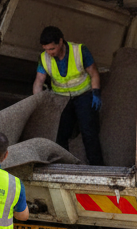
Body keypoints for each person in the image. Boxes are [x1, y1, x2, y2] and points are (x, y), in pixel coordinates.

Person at [33, 25, 103, 165]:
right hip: (61, 99)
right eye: (46, 49)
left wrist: (96, 92)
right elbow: (39, 82)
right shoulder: (44, 58)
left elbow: (93, 72)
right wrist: (38, 102)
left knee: (89, 133)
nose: (49, 53)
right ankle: (61, 165)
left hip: (84, 95)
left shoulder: (80, 51)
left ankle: (97, 166)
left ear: (61, 42)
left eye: (52, 49)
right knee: (59, 134)